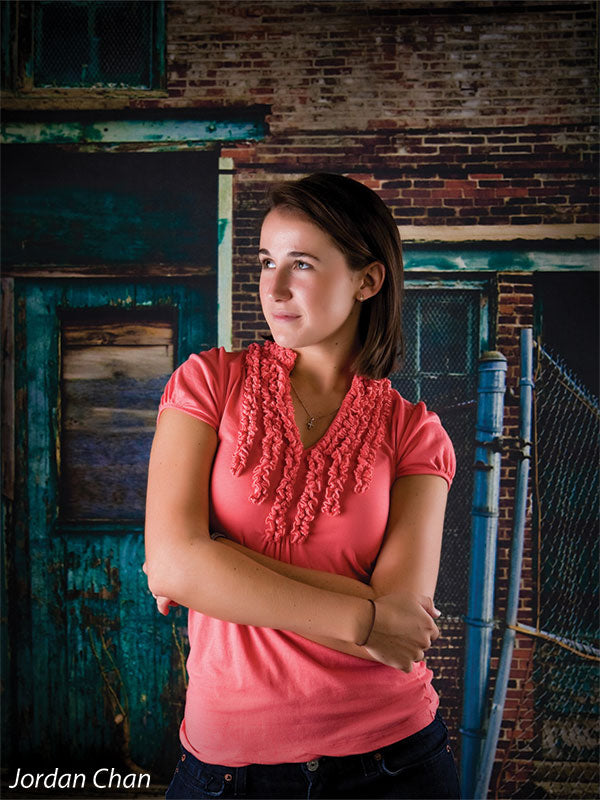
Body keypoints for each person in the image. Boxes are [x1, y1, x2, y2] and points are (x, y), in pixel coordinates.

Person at [144, 173, 461, 799]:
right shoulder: (208, 384)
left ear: (367, 281)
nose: (275, 287)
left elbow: (401, 632)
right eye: (267, 262)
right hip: (227, 769)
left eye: (303, 264)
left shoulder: (416, 434)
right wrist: (363, 617)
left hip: (394, 762)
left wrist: (222, 561)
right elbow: (173, 564)